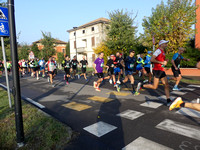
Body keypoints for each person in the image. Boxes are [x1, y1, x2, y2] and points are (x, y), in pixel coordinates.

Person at [137, 40, 172, 105]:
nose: (166, 45)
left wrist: (165, 61)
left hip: (161, 70)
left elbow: (162, 61)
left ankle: (168, 100)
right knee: (155, 87)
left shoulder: (163, 52)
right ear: (161, 44)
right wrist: (161, 62)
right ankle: (141, 85)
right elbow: (152, 60)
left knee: (166, 85)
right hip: (157, 70)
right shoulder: (158, 51)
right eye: (165, 43)